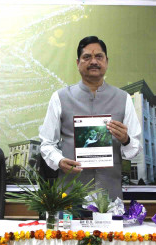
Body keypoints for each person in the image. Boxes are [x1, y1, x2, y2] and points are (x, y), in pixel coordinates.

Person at [39, 36, 142, 199]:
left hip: (109, 196)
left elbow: (134, 149)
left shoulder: (123, 98)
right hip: (70, 194)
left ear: (107, 61)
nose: (93, 61)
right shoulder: (60, 97)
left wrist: (126, 140)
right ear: (77, 63)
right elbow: (47, 143)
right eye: (87, 57)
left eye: (99, 56)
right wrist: (59, 160)